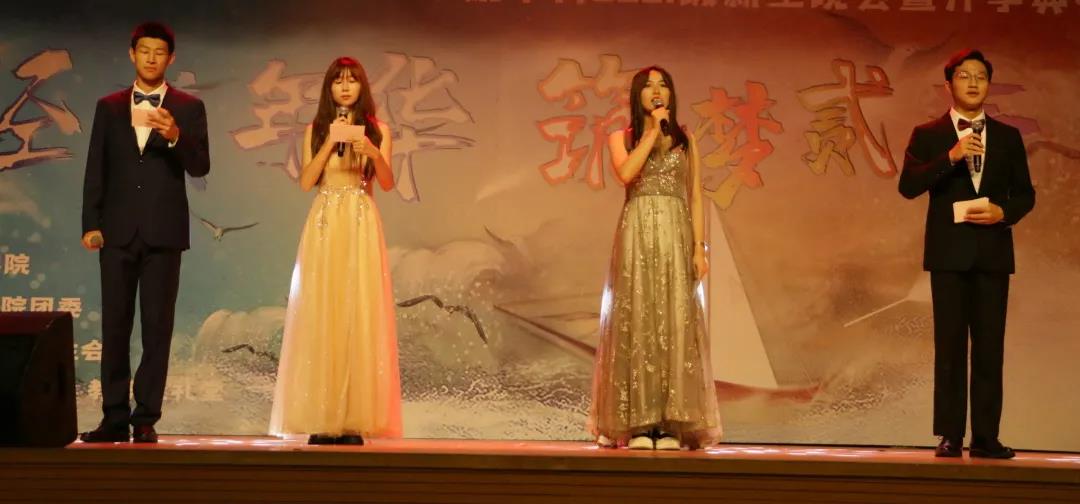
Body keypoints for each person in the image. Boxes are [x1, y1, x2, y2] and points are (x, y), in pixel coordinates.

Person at [899, 49, 1035, 459]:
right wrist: (951, 157)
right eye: (964, 75)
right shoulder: (928, 134)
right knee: (950, 347)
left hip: (992, 254)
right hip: (949, 255)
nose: (973, 83)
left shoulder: (1008, 137)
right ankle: (950, 435)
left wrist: (1002, 212)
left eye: (980, 76)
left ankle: (986, 437)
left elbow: (1025, 194)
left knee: (990, 348)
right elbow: (909, 186)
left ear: (988, 85)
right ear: (949, 84)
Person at [79, 21, 210, 443]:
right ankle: (114, 417)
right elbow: (96, 167)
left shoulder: (188, 107)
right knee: (115, 326)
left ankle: (146, 418)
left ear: (171, 58)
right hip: (116, 232)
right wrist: (91, 223)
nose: (152, 58)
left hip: (163, 233)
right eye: (145, 51)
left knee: (157, 329)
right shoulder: (109, 107)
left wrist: (175, 136)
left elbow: (200, 166)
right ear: (132, 54)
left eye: (159, 52)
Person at [268, 57, 401, 445]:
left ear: (362, 87)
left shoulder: (378, 130)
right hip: (325, 219)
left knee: (357, 315)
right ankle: (321, 416)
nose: (345, 87)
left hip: (359, 219)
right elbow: (306, 181)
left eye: (352, 81)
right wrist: (330, 141)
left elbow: (387, 183)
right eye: (337, 81)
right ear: (329, 89)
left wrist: (372, 152)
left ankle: (353, 419)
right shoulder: (315, 129)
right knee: (322, 313)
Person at [589, 66, 722, 451]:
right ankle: (639, 423)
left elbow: (694, 195)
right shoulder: (622, 138)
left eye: (663, 85)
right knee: (639, 320)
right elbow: (626, 173)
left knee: (674, 322)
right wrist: (650, 133)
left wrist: (699, 248)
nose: (657, 91)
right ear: (638, 96)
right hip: (637, 234)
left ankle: (670, 424)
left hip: (676, 234)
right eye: (648, 86)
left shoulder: (685, 139)